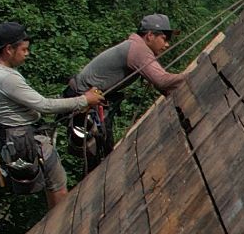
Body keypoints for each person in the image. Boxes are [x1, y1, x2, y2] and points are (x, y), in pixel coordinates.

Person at [0, 21, 100, 208]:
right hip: (26, 138)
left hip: (13, 137)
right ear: (8, 50)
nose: (27, 54)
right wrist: (85, 100)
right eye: (24, 49)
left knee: (52, 185)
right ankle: (62, 229)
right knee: (58, 185)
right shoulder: (6, 77)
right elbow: (43, 105)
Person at [64, 14, 191, 171]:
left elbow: (163, 86)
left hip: (85, 97)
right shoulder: (139, 50)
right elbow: (162, 81)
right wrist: (196, 74)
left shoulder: (135, 47)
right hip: (82, 100)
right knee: (99, 154)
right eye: (164, 38)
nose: (167, 44)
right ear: (150, 35)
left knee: (102, 153)